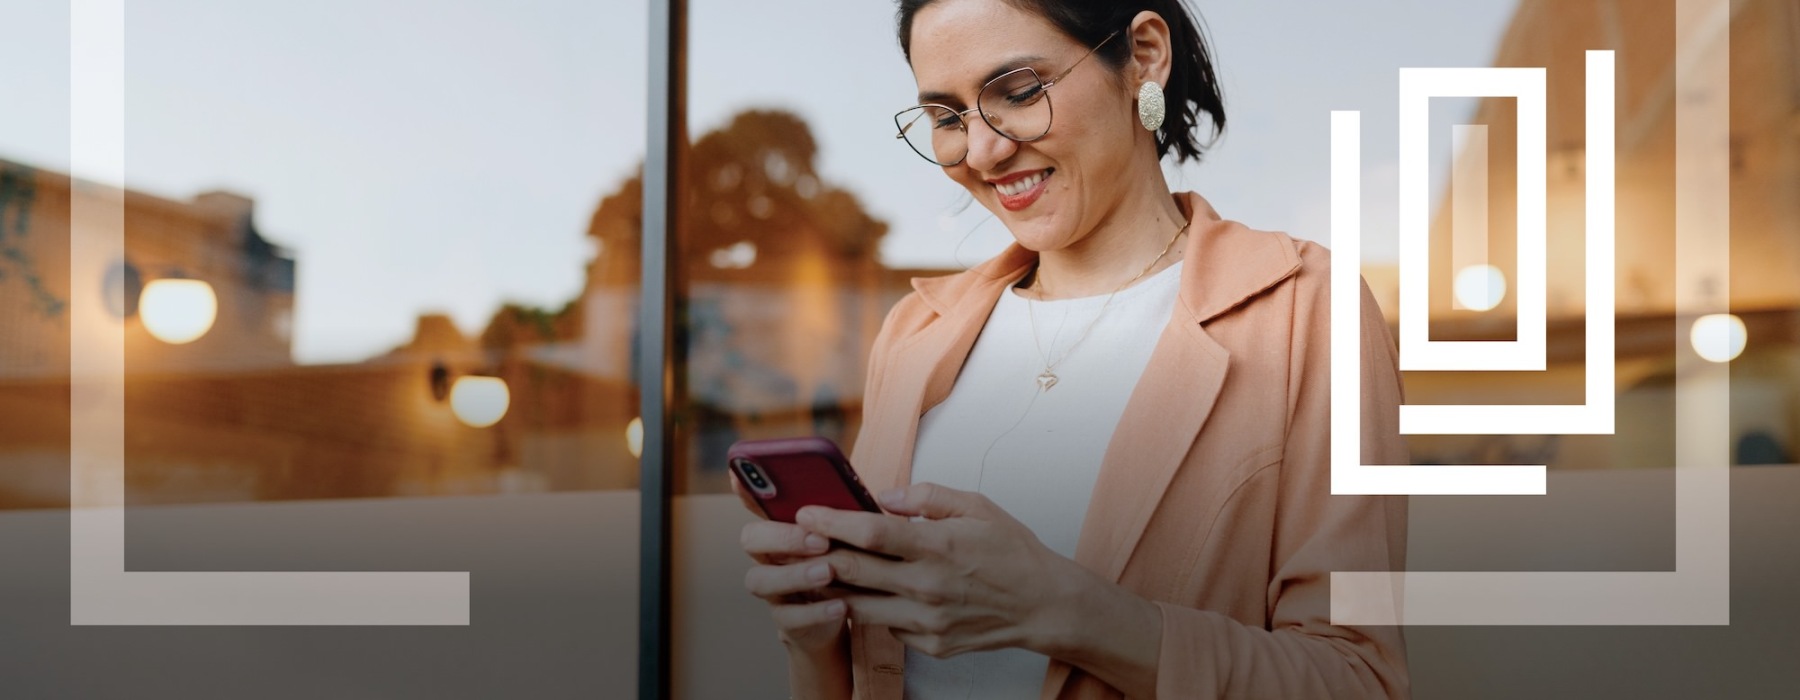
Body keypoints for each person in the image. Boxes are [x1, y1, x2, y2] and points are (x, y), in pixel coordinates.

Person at [736, 0, 1409, 697]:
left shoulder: (1305, 310)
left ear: (1144, 55)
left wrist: (1065, 611)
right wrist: (814, 640)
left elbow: (1358, 679)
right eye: (947, 117)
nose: (983, 150)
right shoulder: (915, 333)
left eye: (1019, 92)